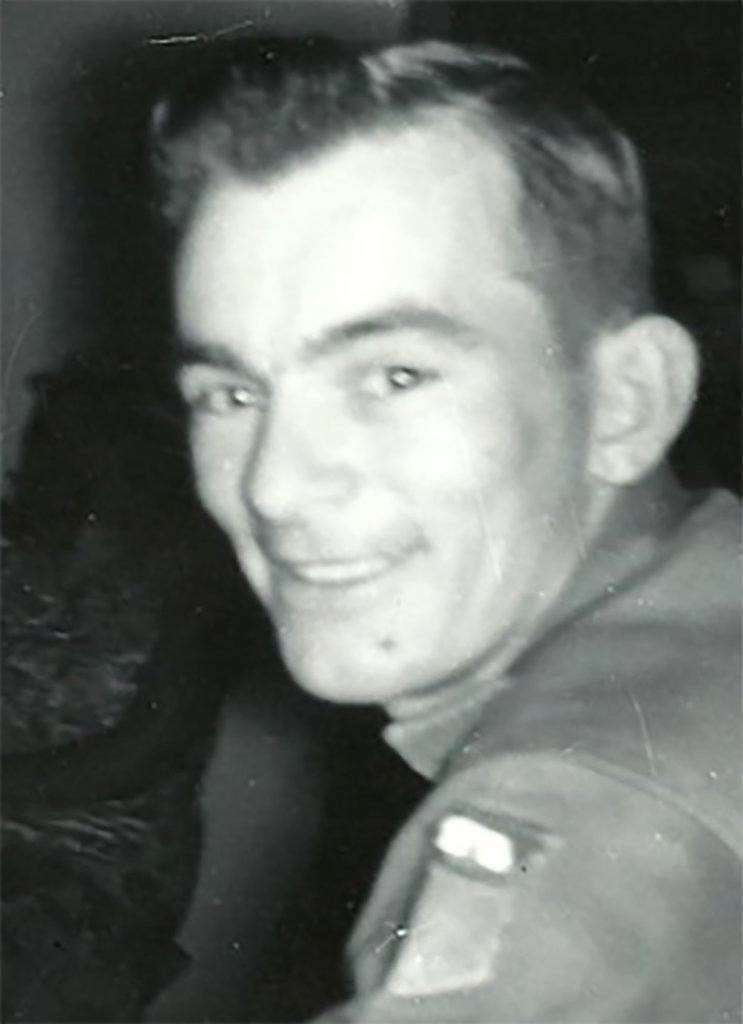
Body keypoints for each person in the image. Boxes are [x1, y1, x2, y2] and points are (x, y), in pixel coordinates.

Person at [149, 38, 741, 1023]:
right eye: (232, 393)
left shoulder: (569, 839)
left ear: (626, 400)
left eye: (394, 376)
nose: (275, 486)